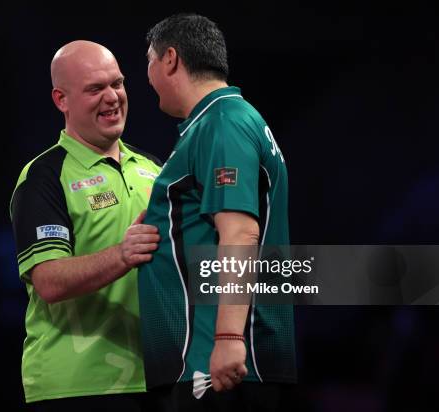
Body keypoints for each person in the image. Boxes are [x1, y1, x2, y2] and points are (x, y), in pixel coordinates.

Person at [138, 14, 296, 411]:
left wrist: (228, 339)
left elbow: (240, 234)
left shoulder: (222, 122)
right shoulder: (221, 122)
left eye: (149, 61)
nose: (147, 75)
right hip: (209, 362)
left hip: (212, 364)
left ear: (170, 59)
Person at [9, 40, 162, 411]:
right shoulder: (44, 177)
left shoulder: (155, 169)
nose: (112, 97)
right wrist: (123, 255)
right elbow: (48, 280)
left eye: (118, 84)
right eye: (96, 89)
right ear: (61, 100)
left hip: (157, 379)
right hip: (76, 386)